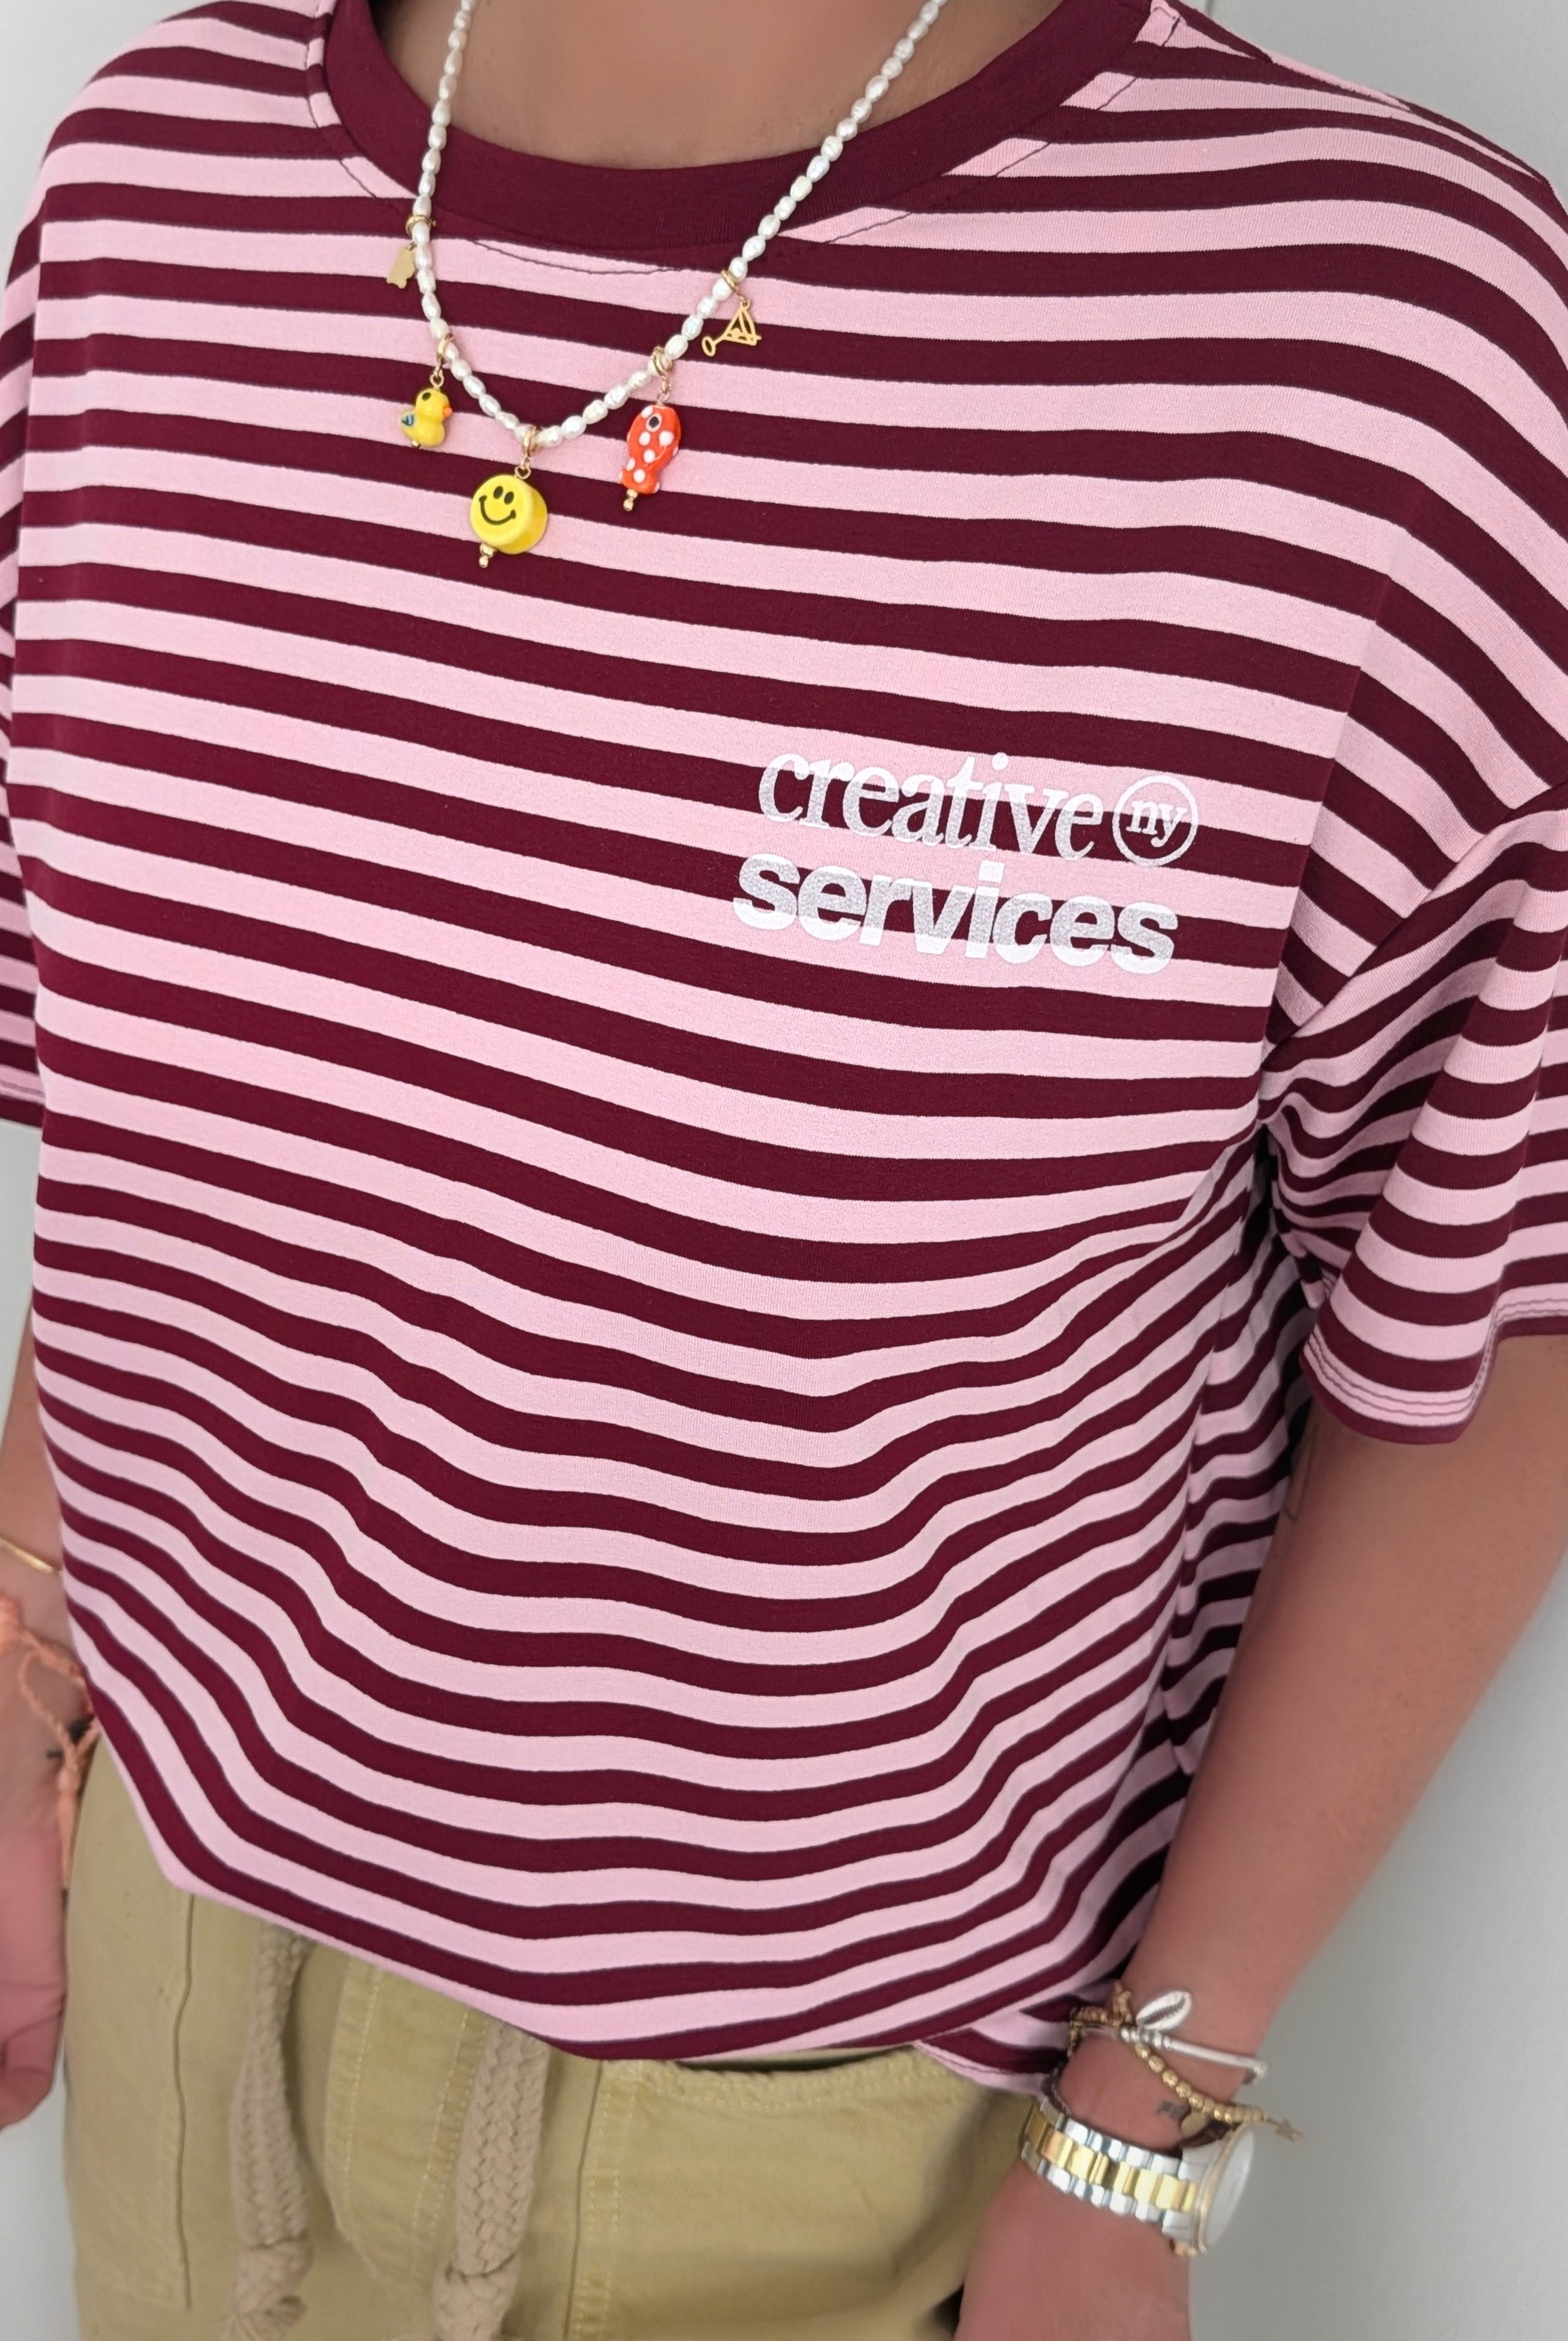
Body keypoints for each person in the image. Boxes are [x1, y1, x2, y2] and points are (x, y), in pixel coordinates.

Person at [1, 0, 1566, 2333]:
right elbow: (189, 1143)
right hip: (166, 1935)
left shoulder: (1383, 342)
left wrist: (1140, 2125)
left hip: (833, 2120)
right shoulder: (153, 197)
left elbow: (1499, 1282)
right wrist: (20, 1663)